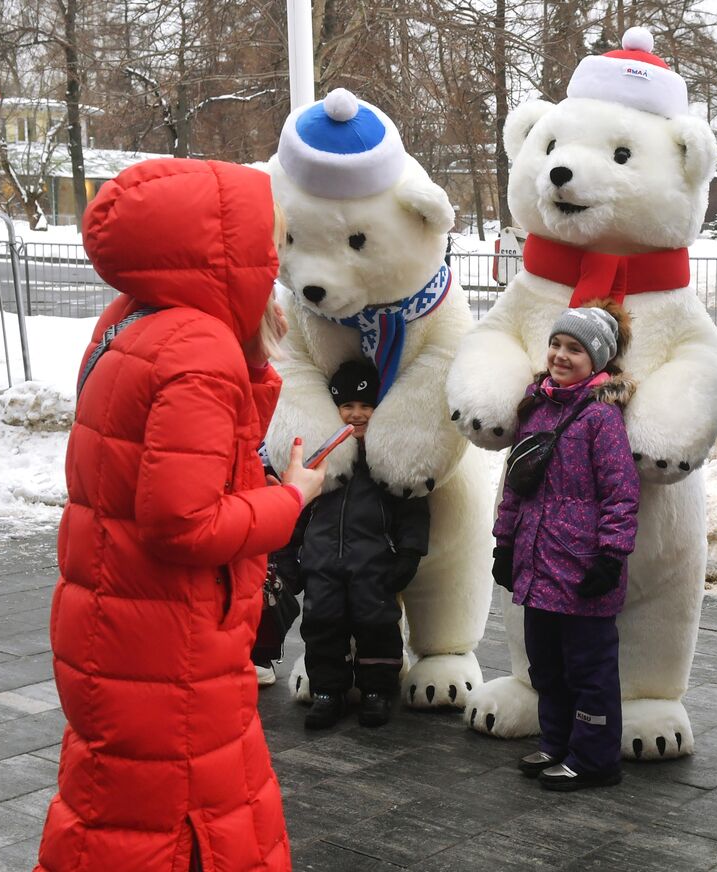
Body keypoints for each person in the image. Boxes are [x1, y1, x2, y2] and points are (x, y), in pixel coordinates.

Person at [35, 158, 325, 872]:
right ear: (221, 248)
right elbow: (182, 522)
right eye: (269, 242)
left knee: (116, 807)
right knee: (184, 823)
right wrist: (289, 499)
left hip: (124, 631)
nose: (276, 260)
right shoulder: (198, 349)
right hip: (171, 646)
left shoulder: (130, 320)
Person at [493, 302, 639, 792]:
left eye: (574, 348)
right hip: (538, 565)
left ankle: (595, 758)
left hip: (582, 569)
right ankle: (557, 742)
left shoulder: (601, 418)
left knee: (589, 669)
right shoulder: (537, 407)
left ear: (596, 360)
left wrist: (611, 555)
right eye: (556, 343)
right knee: (546, 663)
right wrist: (504, 543)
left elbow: (621, 492)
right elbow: (517, 484)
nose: (560, 354)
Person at [288, 360, 431, 730]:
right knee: (321, 626)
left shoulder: (388, 458)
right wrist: (289, 552)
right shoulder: (322, 456)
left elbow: (411, 506)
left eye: (366, 405)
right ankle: (327, 692)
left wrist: (410, 551)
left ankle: (376, 691)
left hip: (373, 564)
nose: (356, 414)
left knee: (378, 627)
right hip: (322, 563)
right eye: (347, 405)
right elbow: (298, 505)